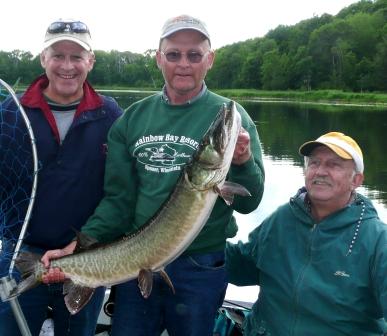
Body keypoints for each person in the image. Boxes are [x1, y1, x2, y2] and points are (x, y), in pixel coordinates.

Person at [42, 14, 265, 336]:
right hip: (137, 262)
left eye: (194, 55)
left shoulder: (233, 115)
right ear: (159, 58)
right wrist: (76, 246)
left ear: (210, 60)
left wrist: (242, 161)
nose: (183, 64)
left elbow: (249, 203)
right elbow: (118, 202)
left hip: (202, 267)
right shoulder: (132, 120)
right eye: (173, 54)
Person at [0, 19, 123, 336]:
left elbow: (121, 192)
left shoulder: (111, 115)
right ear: (43, 58)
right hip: (20, 256)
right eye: (57, 55)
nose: (67, 66)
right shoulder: (10, 113)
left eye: (77, 56)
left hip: (88, 258)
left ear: (91, 61)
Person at [226, 131, 387, 335]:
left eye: (333, 165)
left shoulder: (377, 240)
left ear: (356, 180)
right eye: (314, 163)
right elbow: (240, 267)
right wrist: (192, 237)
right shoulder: (283, 219)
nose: (320, 171)